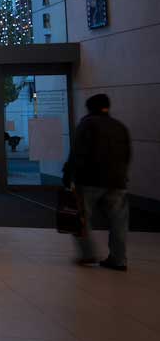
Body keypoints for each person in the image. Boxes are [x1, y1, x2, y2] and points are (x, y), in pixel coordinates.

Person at [64, 94, 131, 271]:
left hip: (89, 180)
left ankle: (88, 254)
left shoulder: (87, 124)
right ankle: (119, 259)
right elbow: (127, 154)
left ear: (89, 108)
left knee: (81, 219)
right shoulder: (119, 126)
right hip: (117, 181)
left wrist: (68, 175)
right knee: (118, 223)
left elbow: (77, 153)